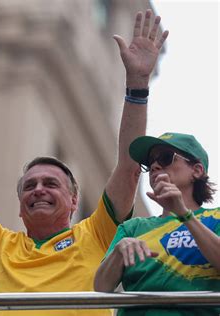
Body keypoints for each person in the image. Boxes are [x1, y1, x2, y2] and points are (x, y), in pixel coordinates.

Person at [0, 9, 168, 316]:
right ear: (20, 209)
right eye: (29, 186)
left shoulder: (95, 234)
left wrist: (138, 84)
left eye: (51, 184)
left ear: (75, 200)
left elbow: (129, 169)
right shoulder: (1, 247)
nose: (38, 189)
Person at [94, 132, 219, 315]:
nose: (154, 165)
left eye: (166, 157)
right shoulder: (133, 227)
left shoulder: (216, 217)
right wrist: (118, 251)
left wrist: (184, 214)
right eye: (150, 162)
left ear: (197, 170)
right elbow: (101, 288)